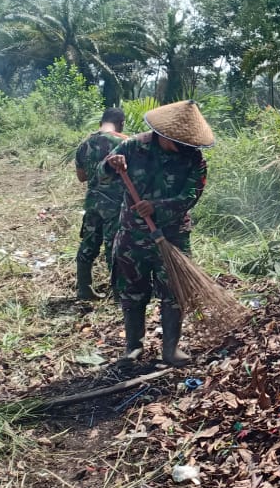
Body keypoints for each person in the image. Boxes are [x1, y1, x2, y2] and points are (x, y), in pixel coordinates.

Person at [104, 100, 214, 367]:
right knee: (133, 290)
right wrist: (110, 164)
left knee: (174, 291)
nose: (186, 147)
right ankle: (133, 347)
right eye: (180, 141)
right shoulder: (133, 146)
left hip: (172, 236)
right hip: (133, 236)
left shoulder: (194, 159)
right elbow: (101, 175)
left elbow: (190, 196)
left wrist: (157, 207)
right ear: (164, 135)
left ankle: (170, 349)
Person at [74, 107, 127, 300]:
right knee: (115, 246)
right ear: (121, 123)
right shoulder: (124, 142)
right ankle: (118, 292)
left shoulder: (84, 144)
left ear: (101, 122)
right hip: (115, 204)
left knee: (89, 243)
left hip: (92, 202)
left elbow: (82, 177)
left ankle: (83, 289)